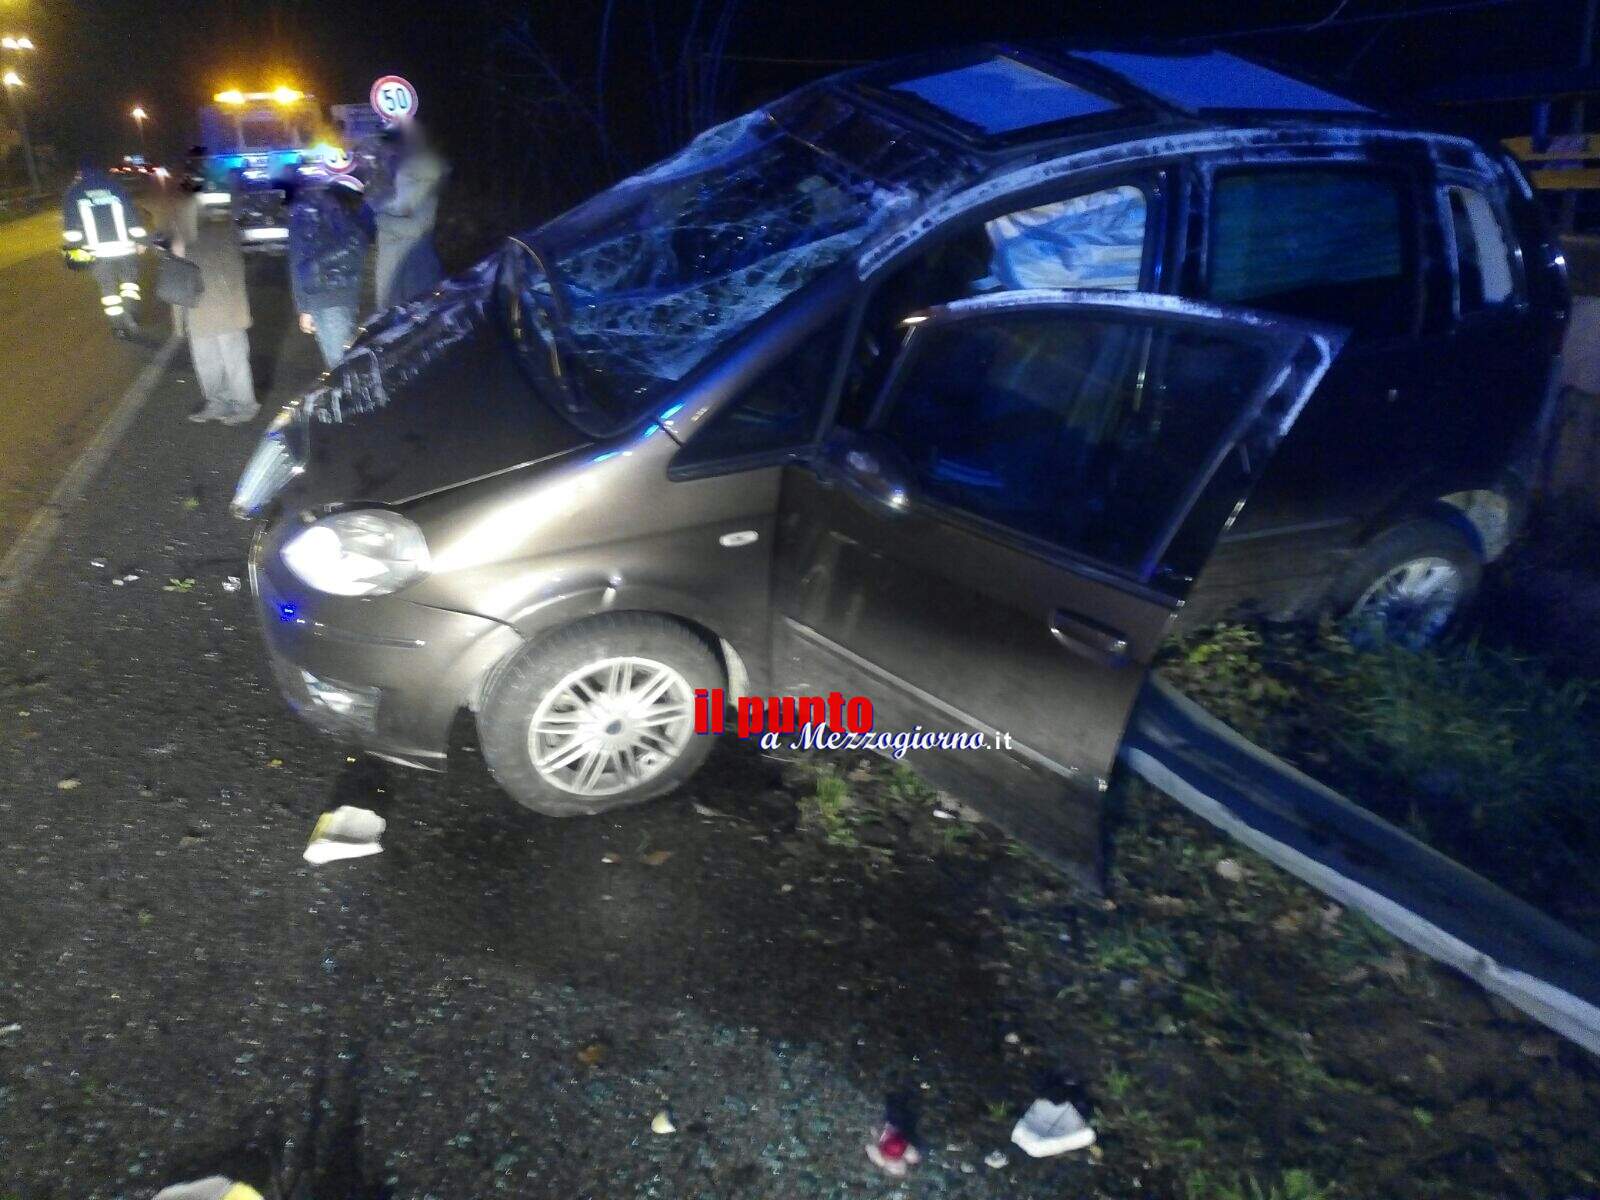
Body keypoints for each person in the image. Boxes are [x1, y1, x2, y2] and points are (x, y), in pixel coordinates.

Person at [170, 183, 258, 425]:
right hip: (197, 306)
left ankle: (244, 404)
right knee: (206, 360)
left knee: (233, 358)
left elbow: (231, 259)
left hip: (224, 304)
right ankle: (217, 402)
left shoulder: (223, 225)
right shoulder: (186, 227)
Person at [288, 175, 374, 368]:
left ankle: (349, 397)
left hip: (326, 300)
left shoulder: (307, 215)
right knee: (345, 362)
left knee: (340, 366)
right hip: (339, 299)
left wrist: (304, 308)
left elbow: (298, 263)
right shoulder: (347, 214)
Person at [61, 163, 148, 338]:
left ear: (81, 173)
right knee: (129, 283)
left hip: (96, 252)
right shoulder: (116, 187)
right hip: (125, 249)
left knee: (108, 291)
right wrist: (141, 240)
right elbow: (131, 217)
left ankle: (118, 328)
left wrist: (75, 251)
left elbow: (71, 230)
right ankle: (130, 311)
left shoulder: (74, 193)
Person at [369, 119, 448, 310]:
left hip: (416, 272)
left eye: (392, 151)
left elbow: (418, 228)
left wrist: (382, 219)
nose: (387, 158)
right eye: (384, 153)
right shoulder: (386, 188)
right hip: (395, 274)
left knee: (419, 324)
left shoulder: (424, 183)